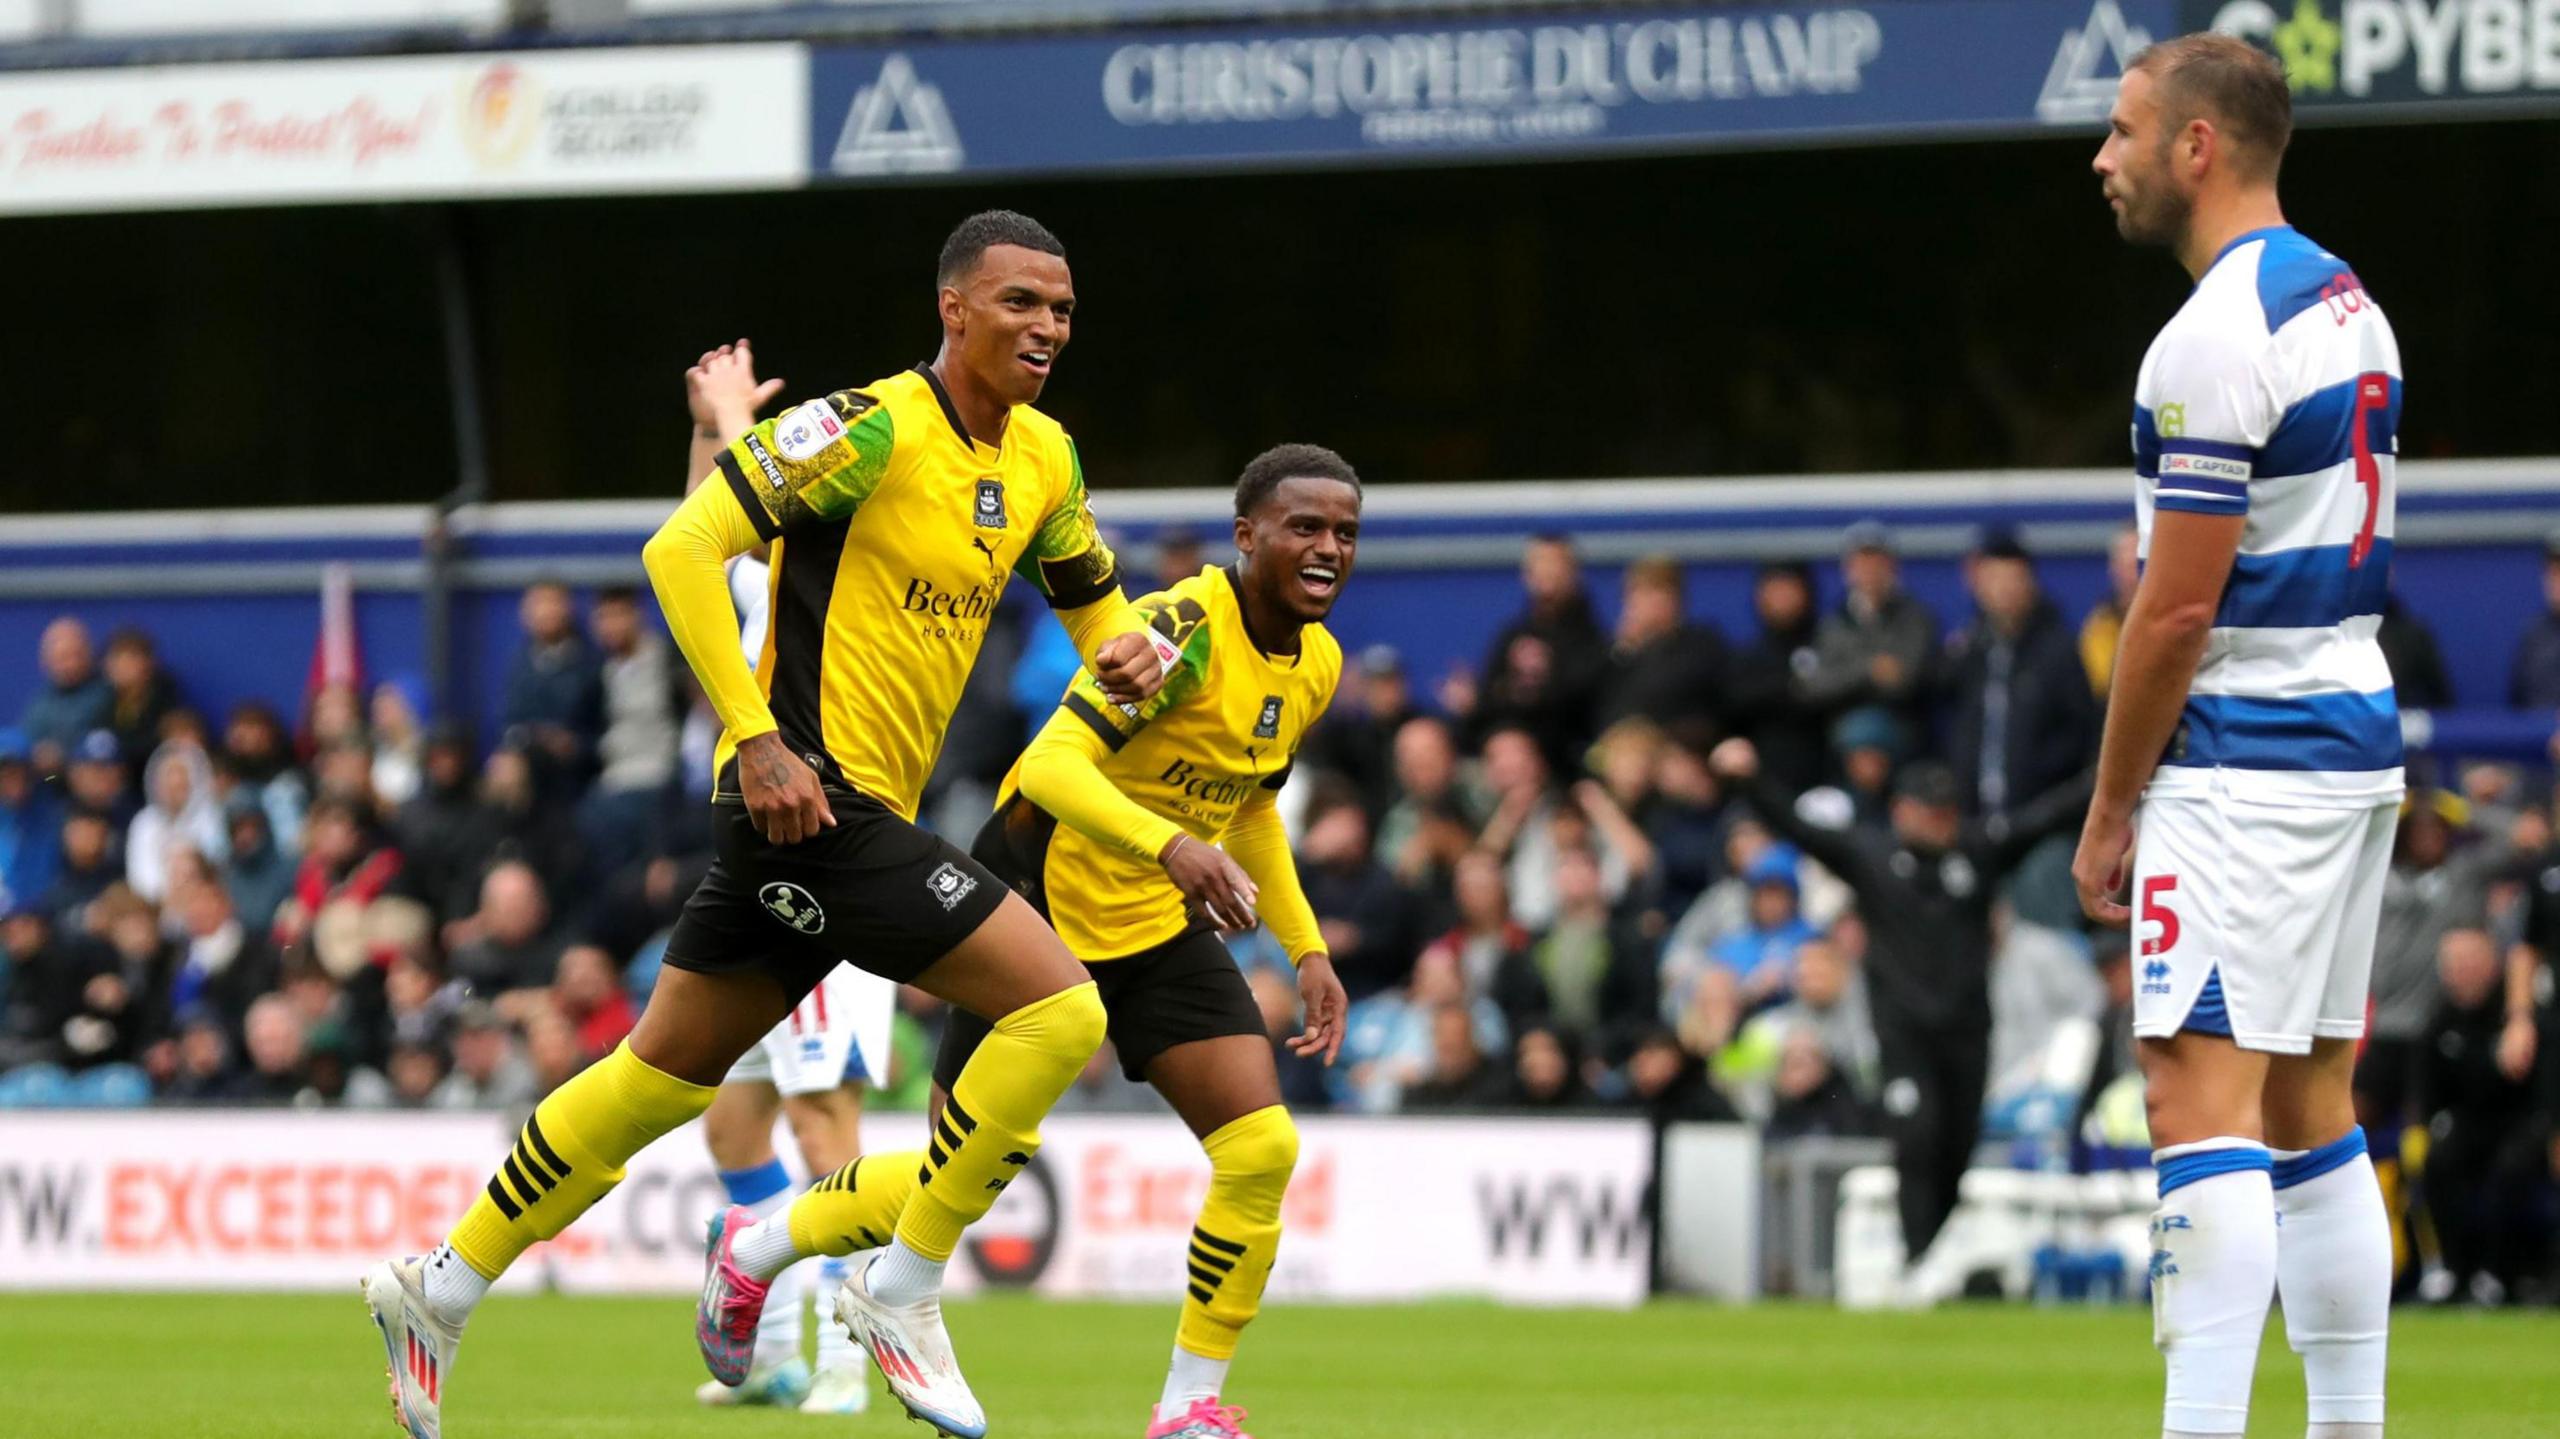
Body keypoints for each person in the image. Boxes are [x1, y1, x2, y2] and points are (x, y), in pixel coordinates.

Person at [362, 210, 1167, 1439]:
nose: (1046, 326)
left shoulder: (1044, 455)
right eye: (1018, 302)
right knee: (1061, 1007)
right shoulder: (869, 428)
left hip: (822, 822)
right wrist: (754, 733)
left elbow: (1082, 588)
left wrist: (1119, 648)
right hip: (813, 798)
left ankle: (443, 1282)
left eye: (1059, 307)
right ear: (953, 308)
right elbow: (684, 546)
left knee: (650, 1080)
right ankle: (892, 1283)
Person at [2075, 37, 2402, 1439]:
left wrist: (2107, 809)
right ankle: (2348, 1424)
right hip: (2348, 733)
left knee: (2193, 1098)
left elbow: (2172, 612)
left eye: (2125, 128)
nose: (2103, 157)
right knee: (2312, 1107)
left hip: (2243, 759)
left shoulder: (2211, 337)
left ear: (2198, 147)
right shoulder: (2347, 299)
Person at [910, 444, 1356, 1439]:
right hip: (1035, 885)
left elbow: (1248, 812)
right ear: (1247, 537)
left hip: (1149, 913)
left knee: (1261, 1145)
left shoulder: (1315, 663)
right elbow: (1052, 766)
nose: (1327, 548)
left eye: (1344, 533)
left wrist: (1307, 948)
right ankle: (764, 1245)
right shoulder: (1175, 629)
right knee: (960, 1170)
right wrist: (1173, 845)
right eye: (1304, 527)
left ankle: (1187, 1406)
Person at [676, 338, 897, 1417]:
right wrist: (708, 429)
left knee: (826, 1129)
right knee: (731, 1127)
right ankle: (771, 1354)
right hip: (756, 871)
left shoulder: (823, 590)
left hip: (829, 873)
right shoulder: (752, 579)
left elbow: (746, 523)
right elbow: (699, 534)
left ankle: (855, 1361)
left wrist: (730, 421)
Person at [1713, 739, 2085, 1274]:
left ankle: (1930, 1255)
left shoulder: (1977, 851)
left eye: (1946, 812)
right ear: (1901, 810)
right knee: (1916, 1135)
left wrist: (2112, 774)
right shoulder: (1872, 857)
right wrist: (1747, 780)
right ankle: (1918, 1259)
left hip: (1968, 1030)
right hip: (1904, 1031)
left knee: (1957, 1145)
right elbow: (1803, 831)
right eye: (1929, 812)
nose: (1940, 823)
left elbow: (2047, 817)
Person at [19, 617, 112, 777]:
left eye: (76, 655)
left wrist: (64, 755)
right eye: (62, 658)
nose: (70, 665)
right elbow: (26, 743)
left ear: (89, 655)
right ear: (46, 661)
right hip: (51, 782)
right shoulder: (41, 704)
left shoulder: (108, 693)